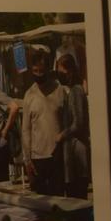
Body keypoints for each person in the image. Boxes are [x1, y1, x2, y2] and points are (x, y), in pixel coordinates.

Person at [22, 49, 65, 196]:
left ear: (47, 69)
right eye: (35, 70)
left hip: (57, 155)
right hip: (37, 158)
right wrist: (27, 160)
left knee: (58, 202)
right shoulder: (29, 95)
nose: (38, 74)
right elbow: (26, 130)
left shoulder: (59, 90)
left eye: (41, 70)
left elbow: (67, 122)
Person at [56, 54, 91, 199]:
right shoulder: (71, 90)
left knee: (76, 194)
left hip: (77, 151)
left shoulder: (76, 91)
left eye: (60, 70)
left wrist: (62, 135)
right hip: (73, 150)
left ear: (68, 71)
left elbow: (78, 123)